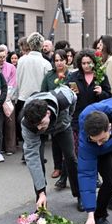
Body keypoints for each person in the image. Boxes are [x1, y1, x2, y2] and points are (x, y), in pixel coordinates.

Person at [21, 86, 79, 209]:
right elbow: (32, 158)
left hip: (62, 126)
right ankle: (41, 201)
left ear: (48, 113)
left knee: (70, 157)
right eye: (36, 125)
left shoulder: (63, 98)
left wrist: (68, 117)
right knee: (38, 162)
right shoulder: (28, 123)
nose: (39, 128)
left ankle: (80, 195)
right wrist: (41, 191)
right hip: (38, 133)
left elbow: (74, 97)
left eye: (41, 123)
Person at [42, 50, 72, 185]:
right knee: (55, 141)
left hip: (67, 113)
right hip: (53, 112)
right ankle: (57, 167)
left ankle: (67, 170)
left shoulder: (71, 75)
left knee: (67, 144)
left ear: (66, 60)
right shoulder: (49, 76)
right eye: (56, 60)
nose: (59, 63)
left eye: (61, 59)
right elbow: (43, 93)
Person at [0, 47, 17, 156]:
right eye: (0, 57)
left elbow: (13, 83)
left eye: (4, 57)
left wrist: (5, 96)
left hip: (8, 98)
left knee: (10, 123)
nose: (2, 59)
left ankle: (10, 147)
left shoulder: (11, 67)